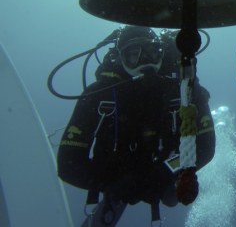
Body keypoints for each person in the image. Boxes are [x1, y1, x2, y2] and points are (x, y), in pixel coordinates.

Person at [57, 26, 215, 226]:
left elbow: (205, 146)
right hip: (115, 174)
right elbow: (67, 163)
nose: (145, 62)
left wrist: (166, 170)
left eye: (152, 53)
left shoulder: (184, 89)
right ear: (120, 59)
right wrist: (114, 183)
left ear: (162, 53)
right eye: (134, 54)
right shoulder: (99, 95)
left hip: (164, 167)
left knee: (172, 197)